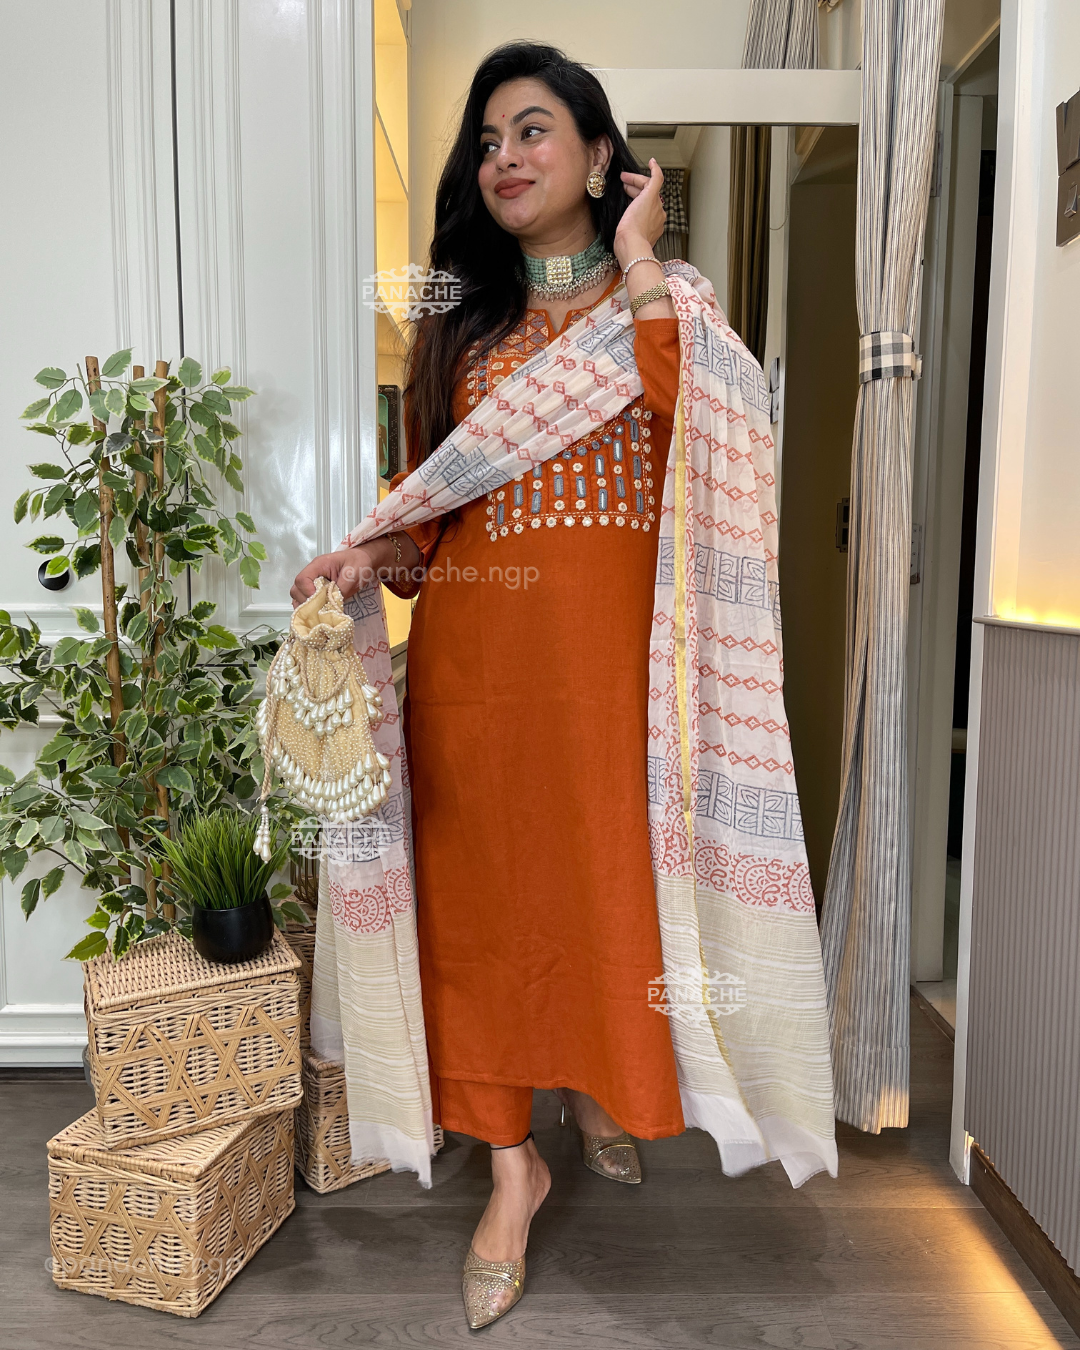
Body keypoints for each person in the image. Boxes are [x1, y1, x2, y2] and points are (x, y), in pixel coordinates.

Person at [294, 42, 711, 1330]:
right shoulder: (462, 327)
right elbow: (429, 515)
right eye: (487, 142)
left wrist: (640, 257)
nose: (505, 158)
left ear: (599, 155)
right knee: (480, 924)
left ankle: (593, 1083)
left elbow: (705, 437)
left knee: (596, 906)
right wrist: (368, 554)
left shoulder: (669, 308)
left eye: (533, 130)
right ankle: (512, 1167)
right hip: (477, 683)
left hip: (613, 690)